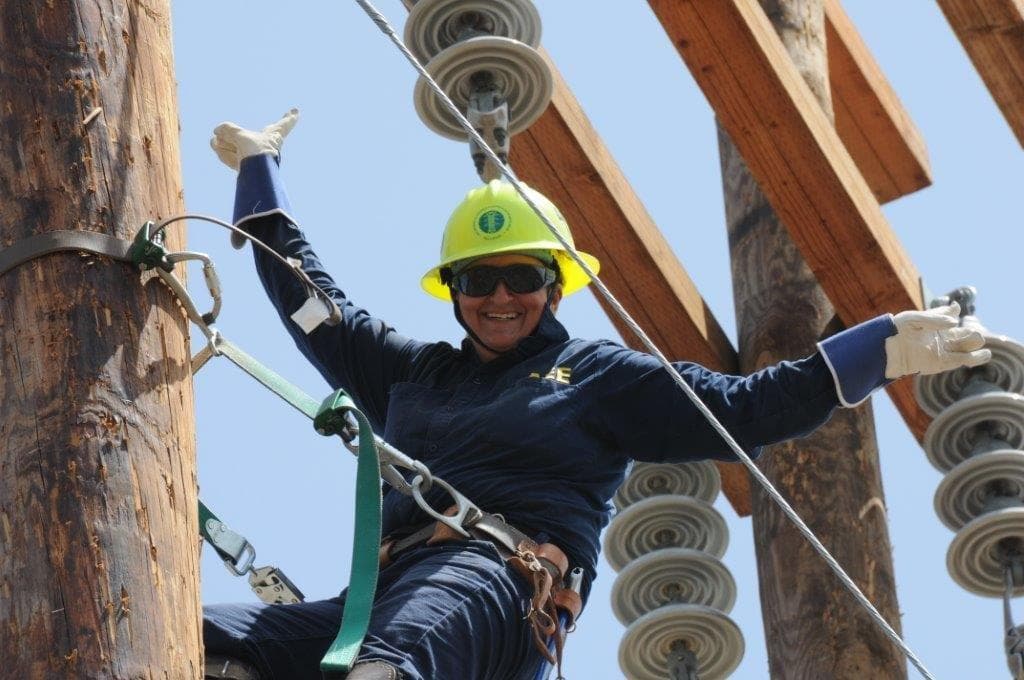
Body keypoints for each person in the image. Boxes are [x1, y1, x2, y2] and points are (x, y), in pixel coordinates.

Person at [201, 111, 990, 680]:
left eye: (523, 278)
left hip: (498, 584)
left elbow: (747, 411)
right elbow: (315, 307)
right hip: (377, 598)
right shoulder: (415, 374)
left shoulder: (599, 376)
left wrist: (881, 347)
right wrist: (259, 173)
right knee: (197, 639)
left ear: (555, 284)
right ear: (453, 290)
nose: (500, 296)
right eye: (480, 279)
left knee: (388, 667)